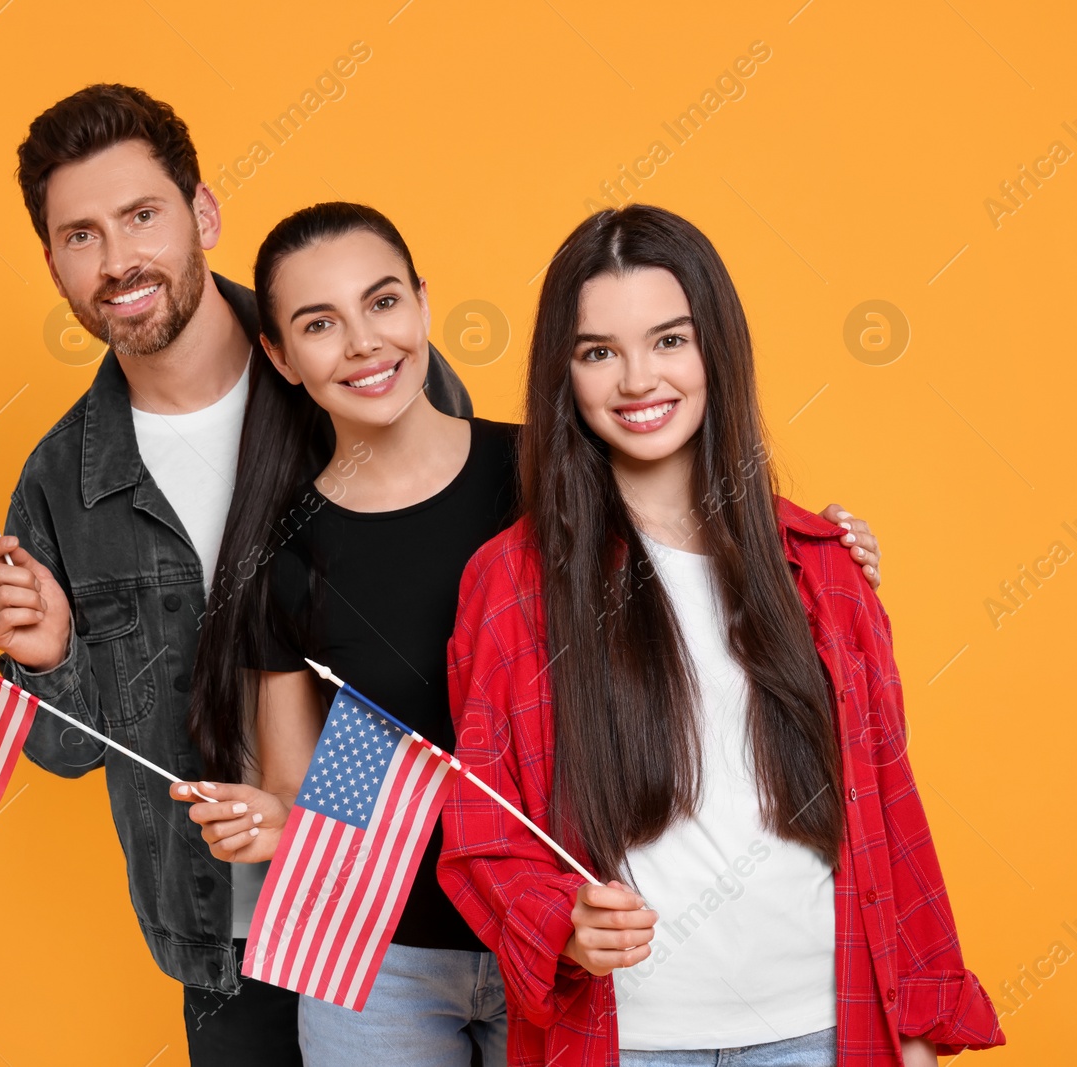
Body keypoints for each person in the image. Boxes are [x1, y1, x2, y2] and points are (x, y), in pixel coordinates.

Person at [173, 202, 885, 1066]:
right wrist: (271, 821)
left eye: (383, 302)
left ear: (424, 304)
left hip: (571, 935)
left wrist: (816, 559)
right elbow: (301, 796)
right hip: (385, 936)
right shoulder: (282, 552)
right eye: (320, 324)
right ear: (279, 356)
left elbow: (704, 562)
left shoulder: (553, 477)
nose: (363, 342)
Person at [437, 204, 1005, 1067]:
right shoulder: (510, 584)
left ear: (717, 349)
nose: (637, 380)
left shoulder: (820, 564)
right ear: (564, 373)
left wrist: (916, 1038)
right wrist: (562, 924)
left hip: (824, 1027)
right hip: (631, 1040)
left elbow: (888, 811)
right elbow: (486, 826)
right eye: (599, 352)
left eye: (670, 340)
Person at [0, 85, 473, 1066]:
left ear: (203, 215)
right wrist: (46, 659)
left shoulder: (355, 372)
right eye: (81, 236)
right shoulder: (62, 481)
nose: (118, 261)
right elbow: (63, 751)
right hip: (228, 942)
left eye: (141, 216)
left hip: (409, 902)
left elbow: (499, 598)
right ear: (52, 262)